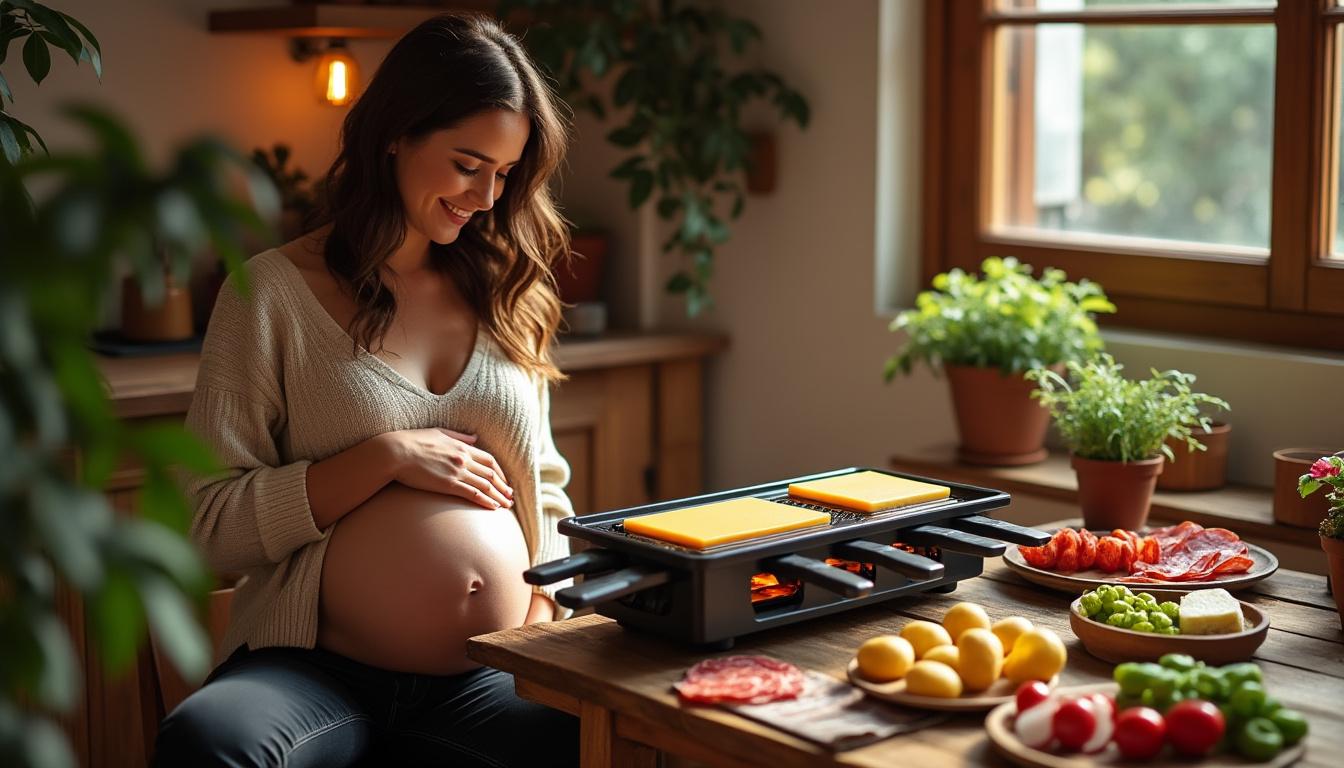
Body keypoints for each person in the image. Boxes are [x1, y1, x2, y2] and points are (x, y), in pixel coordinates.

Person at [153, 13, 579, 767]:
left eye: (505, 174)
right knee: (209, 744)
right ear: (396, 135)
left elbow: (543, 490)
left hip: (493, 673)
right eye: (467, 164)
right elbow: (205, 519)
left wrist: (543, 616)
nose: (486, 196)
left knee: (632, 735)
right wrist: (380, 458)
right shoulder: (271, 296)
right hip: (315, 672)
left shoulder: (508, 293)